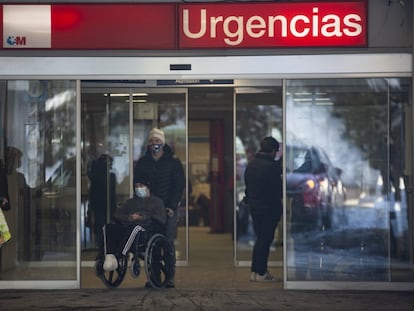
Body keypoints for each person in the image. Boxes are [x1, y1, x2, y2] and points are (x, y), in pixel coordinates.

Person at [133, 128, 185, 288]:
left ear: (163, 143)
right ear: (148, 144)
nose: (154, 144)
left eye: (157, 141)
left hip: (168, 208)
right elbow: (137, 184)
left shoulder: (173, 162)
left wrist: (171, 206)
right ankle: (154, 277)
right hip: (150, 209)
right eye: (151, 141)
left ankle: (169, 277)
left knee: (167, 242)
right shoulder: (143, 163)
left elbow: (178, 186)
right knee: (152, 244)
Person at [102, 180, 166, 272]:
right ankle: (110, 256)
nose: (138, 188)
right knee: (109, 227)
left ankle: (121, 255)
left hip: (147, 229)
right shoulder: (130, 202)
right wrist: (129, 218)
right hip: (128, 226)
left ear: (147, 187)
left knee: (135, 228)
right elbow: (117, 215)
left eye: (141, 185)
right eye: (136, 186)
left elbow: (161, 219)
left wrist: (142, 217)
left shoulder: (157, 202)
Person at [244, 136, 282, 282]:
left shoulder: (252, 164)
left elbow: (248, 187)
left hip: (255, 207)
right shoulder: (271, 168)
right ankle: (261, 272)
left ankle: (255, 271)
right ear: (272, 151)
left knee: (260, 239)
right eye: (276, 151)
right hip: (269, 208)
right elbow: (277, 190)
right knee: (265, 241)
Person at [89, 154, 117, 250]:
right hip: (105, 206)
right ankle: (105, 246)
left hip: (98, 206)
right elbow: (112, 194)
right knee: (105, 227)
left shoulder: (94, 175)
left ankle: (101, 246)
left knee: (100, 226)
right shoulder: (110, 176)